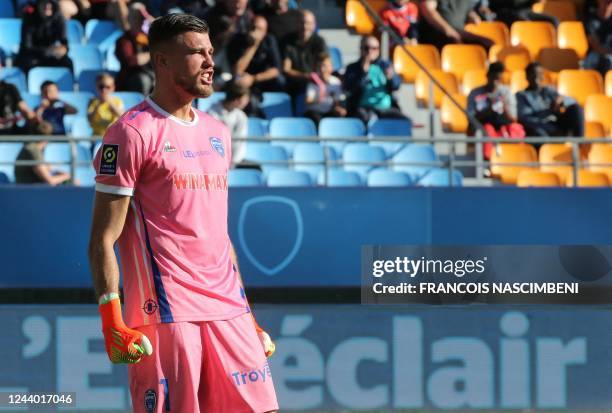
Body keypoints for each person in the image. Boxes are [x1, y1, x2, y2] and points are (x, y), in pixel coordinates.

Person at [88, 13, 278, 413]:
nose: (211, 62)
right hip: (169, 315)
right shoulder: (131, 132)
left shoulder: (218, 132)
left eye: (211, 52)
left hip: (231, 313)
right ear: (162, 61)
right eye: (196, 53)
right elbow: (103, 239)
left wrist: (250, 317)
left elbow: (218, 235)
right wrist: (112, 321)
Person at [467, 61, 524, 158]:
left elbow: (513, 118)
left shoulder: (507, 92)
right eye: (492, 78)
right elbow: (471, 118)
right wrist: (489, 108)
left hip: (503, 124)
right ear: (487, 76)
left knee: (516, 129)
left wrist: (503, 104)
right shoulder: (475, 93)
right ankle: (489, 161)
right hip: (484, 124)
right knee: (487, 130)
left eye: (497, 79)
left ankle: (517, 158)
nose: (494, 82)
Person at [344, 35, 407, 124]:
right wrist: (363, 74)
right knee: (368, 120)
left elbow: (396, 86)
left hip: (386, 108)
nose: (370, 52)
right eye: (366, 48)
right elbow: (349, 88)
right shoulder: (353, 68)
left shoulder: (385, 65)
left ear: (378, 50)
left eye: (374, 48)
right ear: (361, 49)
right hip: (363, 109)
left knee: (404, 122)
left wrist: (390, 78)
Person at [516, 62, 584, 138]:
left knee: (576, 109)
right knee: (538, 133)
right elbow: (525, 118)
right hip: (540, 127)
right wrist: (547, 114)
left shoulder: (548, 90)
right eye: (533, 74)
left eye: (540, 74)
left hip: (556, 123)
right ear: (527, 77)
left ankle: (580, 141)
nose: (536, 77)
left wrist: (561, 100)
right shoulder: (521, 95)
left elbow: (573, 101)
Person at [227, 15, 285, 96]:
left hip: (261, 78)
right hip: (243, 78)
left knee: (280, 80)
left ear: (265, 32)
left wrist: (254, 78)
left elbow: (277, 69)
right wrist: (253, 45)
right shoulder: (238, 40)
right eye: (253, 27)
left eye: (260, 29)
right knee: (237, 81)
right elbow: (237, 71)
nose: (255, 31)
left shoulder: (269, 40)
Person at [15, 0, 73, 74]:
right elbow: (27, 46)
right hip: (32, 54)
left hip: (50, 54)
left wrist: (63, 49)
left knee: (67, 62)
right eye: (45, 2)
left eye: (50, 3)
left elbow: (64, 42)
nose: (47, 6)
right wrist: (46, 52)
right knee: (27, 63)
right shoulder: (30, 16)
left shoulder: (59, 18)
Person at [282, 9, 328, 99]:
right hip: (294, 82)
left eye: (308, 23)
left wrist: (316, 77)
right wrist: (304, 76)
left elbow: (326, 63)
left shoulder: (319, 41)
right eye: (302, 23)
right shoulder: (288, 41)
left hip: (315, 82)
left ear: (314, 25)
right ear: (296, 24)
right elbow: (286, 69)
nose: (305, 26)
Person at [418, 0, 494, 49]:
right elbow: (427, 10)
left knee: (489, 44)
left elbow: (467, 11)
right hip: (438, 34)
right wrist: (448, 30)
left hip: (459, 32)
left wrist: (473, 16)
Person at [115, 2, 155, 95]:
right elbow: (133, 61)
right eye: (135, 17)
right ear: (129, 19)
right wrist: (152, 54)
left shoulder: (149, 38)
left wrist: (149, 19)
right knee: (142, 80)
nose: (138, 20)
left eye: (140, 18)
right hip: (130, 78)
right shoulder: (124, 40)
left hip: (150, 74)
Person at [208, 81, 250, 163]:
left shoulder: (241, 116)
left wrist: (233, 163)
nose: (247, 102)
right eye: (245, 99)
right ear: (236, 100)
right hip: (213, 159)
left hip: (233, 161)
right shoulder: (211, 114)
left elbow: (239, 143)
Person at [304, 53, 346, 124]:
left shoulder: (336, 82)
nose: (322, 69)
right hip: (315, 112)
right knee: (316, 119)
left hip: (329, 112)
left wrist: (338, 109)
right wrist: (318, 100)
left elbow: (336, 102)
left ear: (331, 67)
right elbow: (308, 101)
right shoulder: (313, 82)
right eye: (319, 66)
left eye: (324, 66)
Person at [489, 0, 559, 27]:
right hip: (508, 13)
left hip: (527, 12)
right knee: (525, 22)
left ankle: (554, 49)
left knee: (553, 20)